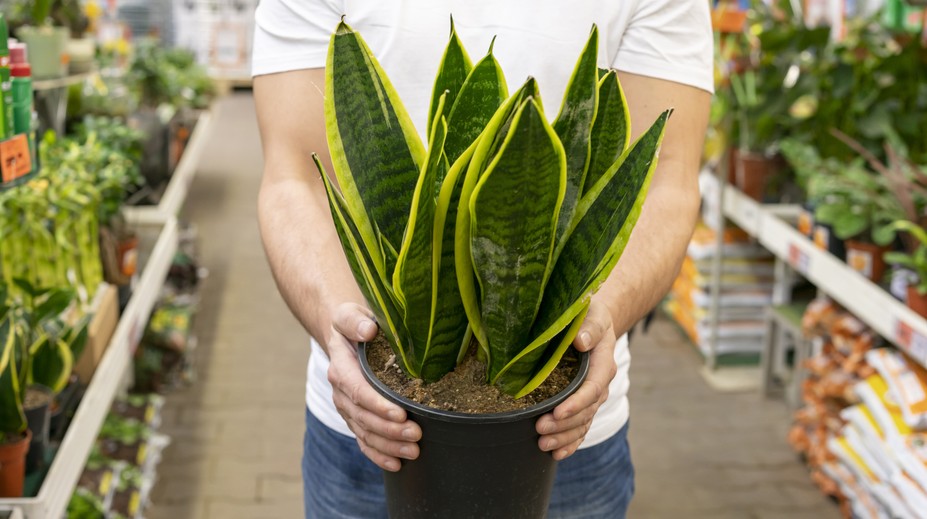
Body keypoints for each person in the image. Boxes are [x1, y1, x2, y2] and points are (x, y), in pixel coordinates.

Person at [252, 2, 712, 517]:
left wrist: (599, 318)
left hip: (566, 435)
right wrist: (340, 327)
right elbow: (292, 178)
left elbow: (665, 179)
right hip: (366, 420)